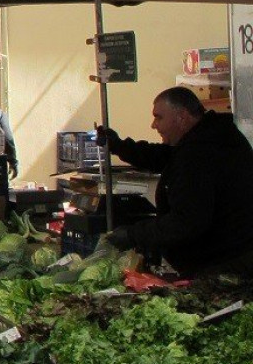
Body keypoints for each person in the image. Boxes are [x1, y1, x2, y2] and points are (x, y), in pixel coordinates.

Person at [97, 87, 253, 276]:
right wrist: (119, 146)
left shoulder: (202, 153)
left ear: (182, 117)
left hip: (223, 263)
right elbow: (164, 157)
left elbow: (186, 221)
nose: (153, 125)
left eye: (159, 117)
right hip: (228, 255)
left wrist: (133, 235)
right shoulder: (207, 137)